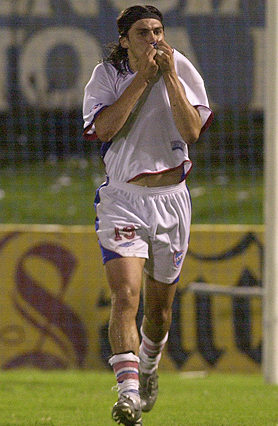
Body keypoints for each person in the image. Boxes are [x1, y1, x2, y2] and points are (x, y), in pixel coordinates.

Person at [83, 5, 212, 425]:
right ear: (125, 40)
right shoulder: (106, 76)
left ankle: (150, 366)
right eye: (143, 32)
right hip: (123, 198)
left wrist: (169, 76)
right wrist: (143, 78)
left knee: (158, 312)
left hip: (172, 201)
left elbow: (192, 132)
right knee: (126, 296)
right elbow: (103, 130)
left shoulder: (182, 69)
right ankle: (128, 395)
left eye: (158, 30)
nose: (153, 38)